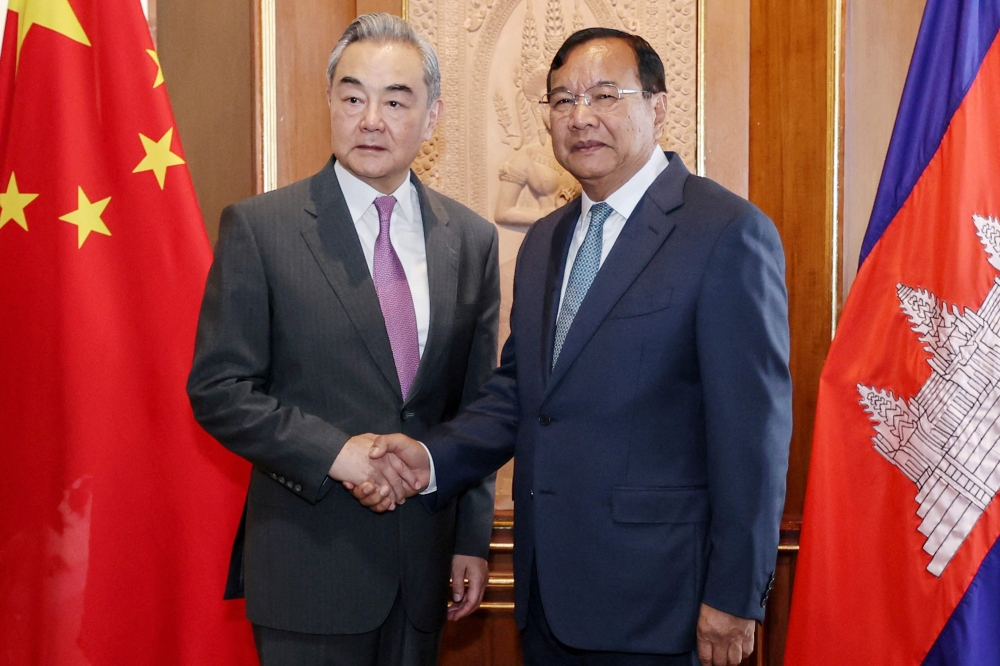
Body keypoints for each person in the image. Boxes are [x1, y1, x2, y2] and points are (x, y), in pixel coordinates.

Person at [353, 27, 792, 666]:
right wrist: (428, 459)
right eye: (562, 101)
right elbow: (519, 398)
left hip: (664, 606)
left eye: (605, 95)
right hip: (548, 597)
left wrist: (736, 595)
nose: (581, 117)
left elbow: (754, 436)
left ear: (658, 106)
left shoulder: (726, 232)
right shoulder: (545, 241)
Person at [186, 13, 499, 666]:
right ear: (330, 103)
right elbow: (218, 389)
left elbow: (476, 408)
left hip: (423, 569)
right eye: (353, 97)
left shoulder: (471, 240)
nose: (371, 119)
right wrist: (336, 453)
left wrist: (471, 537)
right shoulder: (261, 228)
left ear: (433, 116)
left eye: (395, 100)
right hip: (308, 566)